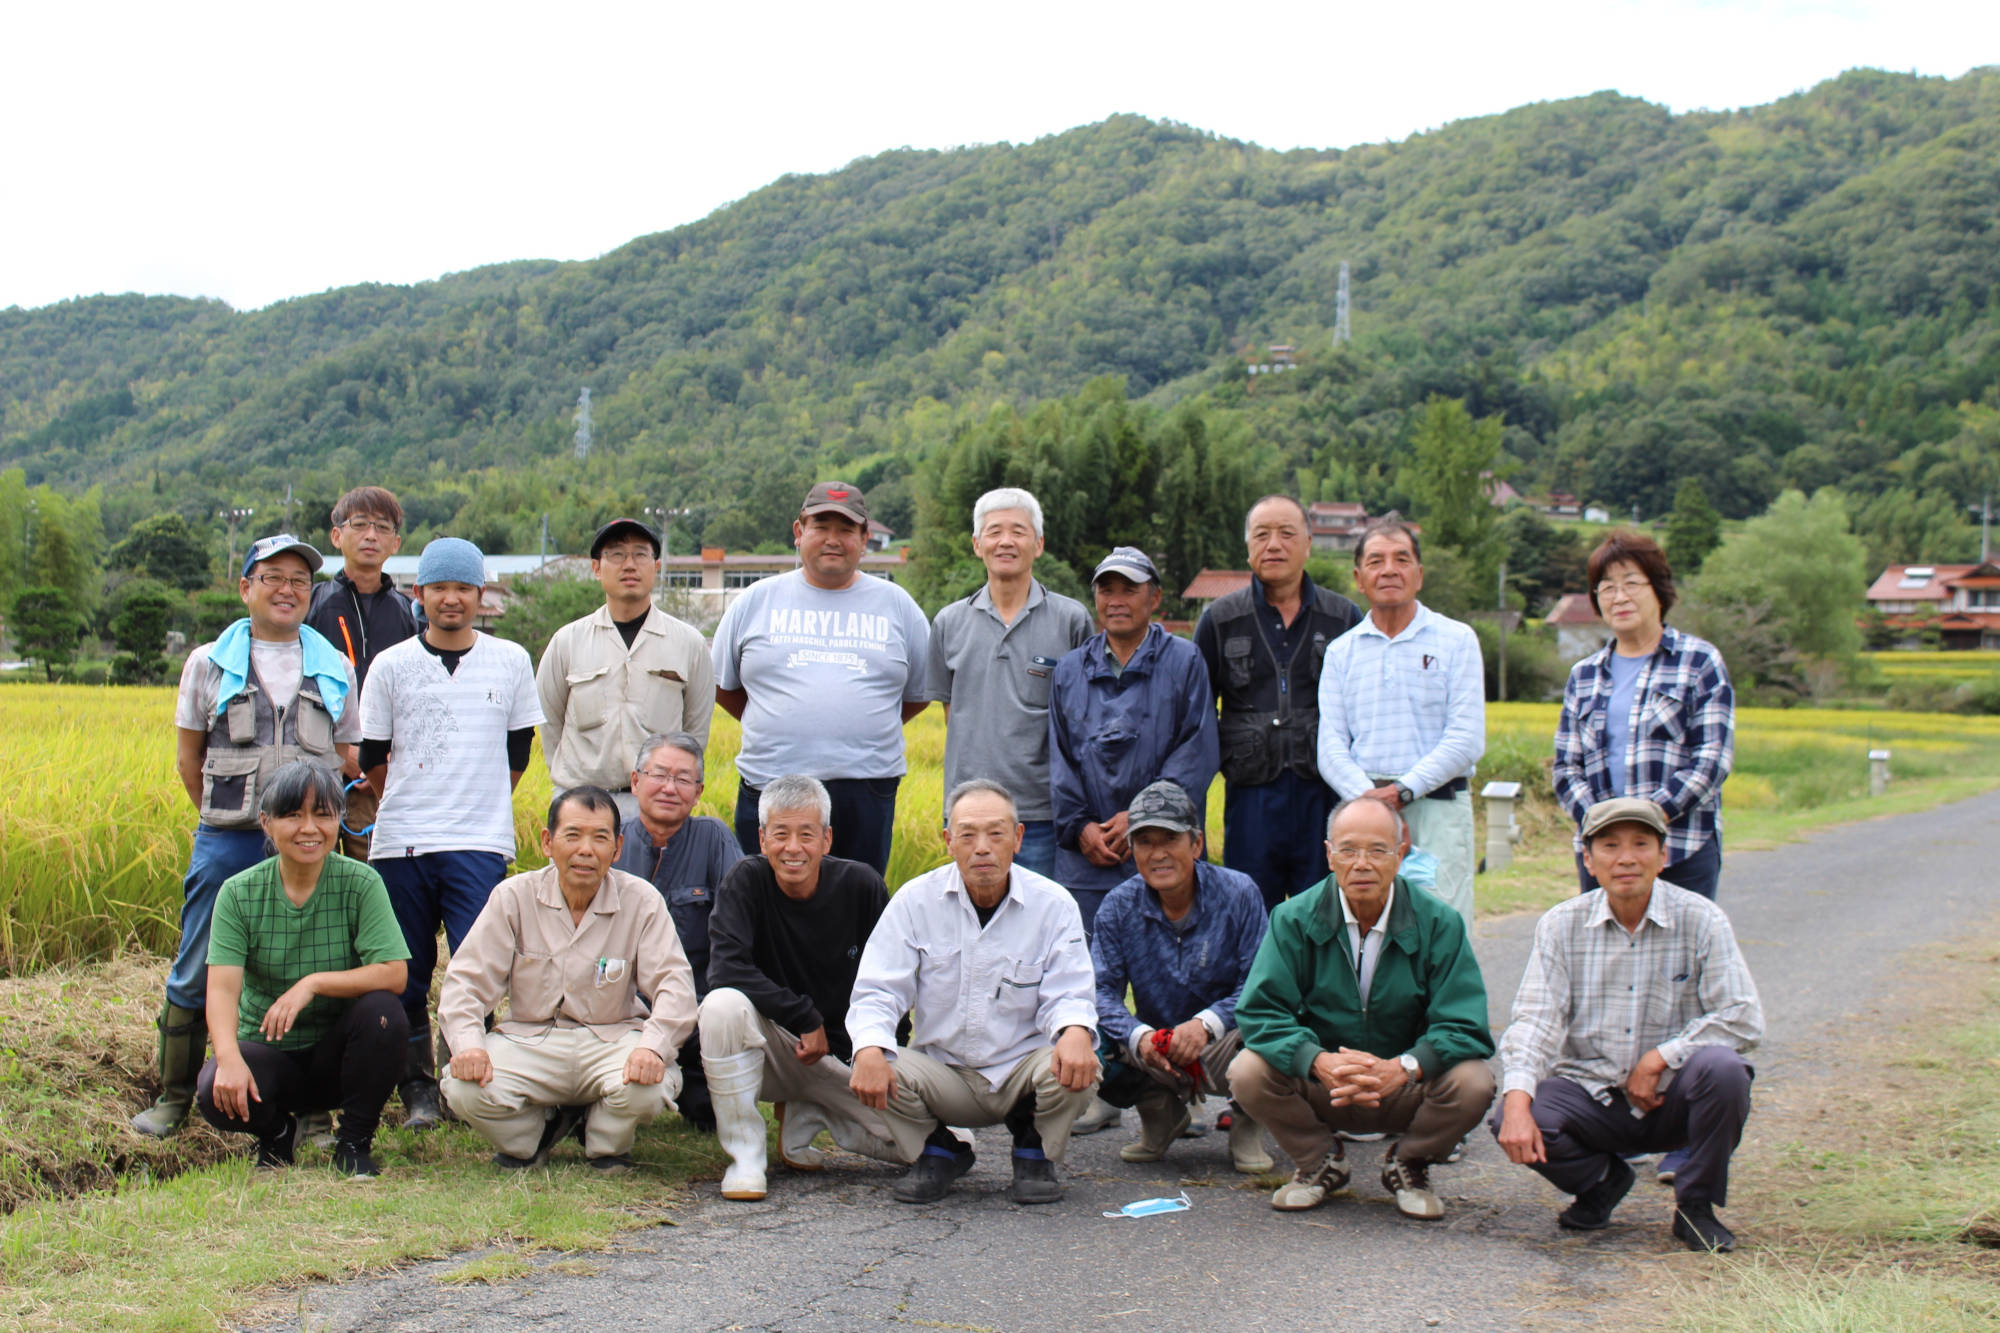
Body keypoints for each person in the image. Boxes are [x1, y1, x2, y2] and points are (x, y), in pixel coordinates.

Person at [133, 534, 361, 1138]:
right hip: (228, 837)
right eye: (273, 577)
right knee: (196, 963)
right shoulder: (208, 661)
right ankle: (175, 1096)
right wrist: (233, 818)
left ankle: (310, 1105)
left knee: (310, 961)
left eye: (299, 581)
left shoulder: (334, 665)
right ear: (246, 588)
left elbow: (346, 756)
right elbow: (190, 759)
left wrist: (302, 826)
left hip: (311, 840)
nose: (287, 590)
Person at [1492, 797, 1760, 1254]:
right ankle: (1601, 1181)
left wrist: (1660, 1058)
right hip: (1592, 1096)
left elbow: (1742, 1017)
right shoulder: (1561, 925)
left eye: (1641, 844)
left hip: (1673, 1098)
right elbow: (1536, 1020)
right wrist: (1515, 1099)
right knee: (1514, 1112)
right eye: (1610, 846)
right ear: (1589, 861)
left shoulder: (1701, 919)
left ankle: (1695, 1206)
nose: (1626, 858)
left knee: (1725, 1070)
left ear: (1663, 856)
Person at [1229, 797, 1496, 1220]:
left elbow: (1465, 1025)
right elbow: (1261, 1012)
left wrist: (1405, 1067)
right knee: (1247, 1069)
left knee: (1475, 1081)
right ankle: (1319, 1162)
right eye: (1348, 850)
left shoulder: (1440, 923)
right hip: (1325, 1083)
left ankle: (1409, 1164)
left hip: (1404, 1084)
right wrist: (1316, 1061)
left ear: (1401, 855)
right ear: (1329, 855)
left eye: (1377, 850)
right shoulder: (1292, 918)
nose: (1362, 864)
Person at [360, 536, 544, 1131]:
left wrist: (477, 797)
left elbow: (519, 750)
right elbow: (373, 756)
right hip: (402, 841)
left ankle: (465, 1078)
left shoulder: (511, 659)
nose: (452, 599)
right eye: (439, 588)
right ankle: (415, 1089)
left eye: (463, 588)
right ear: (419, 595)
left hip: (480, 841)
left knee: (478, 963)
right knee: (407, 969)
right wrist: (417, 801)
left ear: (480, 594)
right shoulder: (391, 665)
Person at [847, 780, 1100, 1205]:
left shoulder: (1054, 904)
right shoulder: (914, 902)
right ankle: (938, 1148)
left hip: (1023, 1071)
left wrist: (1075, 1030)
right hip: (943, 1072)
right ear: (948, 841)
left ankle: (1033, 1148)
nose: (982, 847)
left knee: (1080, 1056)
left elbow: (1070, 991)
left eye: (996, 833)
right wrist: (870, 1047)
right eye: (967, 834)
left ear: (1018, 838)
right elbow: (877, 990)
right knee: (868, 1059)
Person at [438, 786, 697, 1173]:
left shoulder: (641, 900)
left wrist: (653, 1048)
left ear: (618, 847)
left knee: (650, 1085)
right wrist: (469, 1046)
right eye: (572, 835)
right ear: (548, 841)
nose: (585, 850)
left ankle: (605, 1142)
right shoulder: (513, 897)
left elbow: (675, 987)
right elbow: (465, 985)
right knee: (462, 1087)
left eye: (599, 838)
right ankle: (534, 1136)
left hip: (611, 1040)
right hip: (531, 1040)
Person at [194, 762, 410, 1177]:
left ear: (339, 820)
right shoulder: (237, 894)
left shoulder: (362, 884)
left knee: (384, 1013)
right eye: (293, 815)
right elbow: (221, 991)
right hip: (270, 1052)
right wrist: (227, 1057)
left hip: (339, 1055)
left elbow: (393, 972)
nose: (309, 828)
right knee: (211, 1089)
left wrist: (312, 984)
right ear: (266, 823)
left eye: (323, 814)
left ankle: (354, 1143)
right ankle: (276, 1134)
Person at [712, 482, 931, 875]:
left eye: (846, 529)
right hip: (771, 783)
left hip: (866, 787)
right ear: (799, 532)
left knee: (856, 907)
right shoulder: (755, 601)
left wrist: (864, 726)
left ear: (865, 539)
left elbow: (919, 693)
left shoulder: (898, 606)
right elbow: (723, 686)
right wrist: (775, 722)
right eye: (821, 526)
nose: (833, 539)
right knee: (765, 906)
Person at [698, 775, 899, 1200]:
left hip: (841, 1058)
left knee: (938, 1146)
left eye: (806, 835)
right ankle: (746, 1157)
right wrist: (803, 1016)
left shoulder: (862, 886)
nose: (793, 848)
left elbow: (892, 980)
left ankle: (809, 1114)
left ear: (826, 839)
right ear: (762, 838)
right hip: (772, 1049)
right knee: (721, 1005)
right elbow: (725, 970)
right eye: (780, 834)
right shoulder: (745, 880)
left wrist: (884, 1053)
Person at [1087, 780, 1273, 1173]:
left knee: (1274, 1023)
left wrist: (1205, 1025)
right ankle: (1161, 1115)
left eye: (1170, 839)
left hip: (1225, 1039)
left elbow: (1258, 984)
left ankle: (1247, 1122)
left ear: (1196, 844)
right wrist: (1140, 1037)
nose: (1158, 854)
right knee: (1085, 1035)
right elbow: (1101, 992)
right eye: (1145, 842)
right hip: (1157, 1043)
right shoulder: (1117, 907)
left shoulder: (1240, 893)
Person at [1316, 520, 1485, 929]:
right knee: (1366, 926)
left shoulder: (1456, 639)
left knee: (1442, 927)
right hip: (1364, 814)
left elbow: (1466, 738)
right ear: (1359, 578)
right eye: (1376, 561)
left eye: (1401, 559)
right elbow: (1330, 746)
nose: (1389, 569)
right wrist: (1374, 803)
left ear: (1419, 575)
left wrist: (1403, 791)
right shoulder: (1342, 652)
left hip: (1438, 808)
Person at [1195, 495, 1360, 910]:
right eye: (1262, 534)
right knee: (1250, 913)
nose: (1274, 545)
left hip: (1324, 794)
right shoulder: (1220, 619)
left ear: (1308, 543)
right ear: (1247, 546)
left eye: (1287, 534)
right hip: (1251, 798)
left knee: (1322, 913)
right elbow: (1196, 713)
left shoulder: (1343, 618)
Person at [1553, 530, 1733, 901]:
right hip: (1602, 858)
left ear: (1658, 590)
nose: (1619, 597)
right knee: (1605, 956)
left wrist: (1649, 819)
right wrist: (1603, 826)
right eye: (1606, 588)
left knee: (1682, 957)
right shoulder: (1584, 675)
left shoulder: (1699, 661)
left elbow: (1711, 761)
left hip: (1683, 846)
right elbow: (1566, 768)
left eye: (1632, 583)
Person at [923, 488, 1092, 877]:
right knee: (971, 923)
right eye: (994, 531)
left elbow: (1083, 720)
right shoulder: (949, 623)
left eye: (1018, 531)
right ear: (977, 544)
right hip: (968, 813)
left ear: (1039, 544)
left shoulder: (1071, 620)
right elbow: (954, 714)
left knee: (1038, 924)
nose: (1005, 541)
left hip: (1041, 813)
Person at [1048, 546, 1219, 931]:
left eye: (1130, 589)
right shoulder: (1070, 670)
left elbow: (1197, 750)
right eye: (1107, 590)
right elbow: (1060, 759)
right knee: (1086, 973)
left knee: (1171, 974)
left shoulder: (1185, 662)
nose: (1117, 601)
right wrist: (1080, 827)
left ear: (1155, 597)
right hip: (1089, 855)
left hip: (1165, 847)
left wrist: (1144, 817)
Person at [537, 518, 715, 820]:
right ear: (596, 568)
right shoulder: (567, 642)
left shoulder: (689, 644)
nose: (629, 565)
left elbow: (695, 732)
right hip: (581, 804)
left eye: (640, 554)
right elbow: (549, 722)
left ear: (656, 566)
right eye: (616, 554)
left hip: (657, 807)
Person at [612, 731, 743, 1131]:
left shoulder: (714, 838)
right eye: (659, 775)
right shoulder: (610, 843)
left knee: (705, 1111)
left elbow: (737, 931)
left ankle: (693, 1083)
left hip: (696, 1012)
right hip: (621, 1015)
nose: (670, 788)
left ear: (698, 790)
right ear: (636, 782)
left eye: (683, 779)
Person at [306, 485, 419, 860]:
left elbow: (415, 696)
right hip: (317, 768)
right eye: (360, 524)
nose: (371, 535)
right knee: (311, 872)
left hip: (381, 776)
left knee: (369, 876)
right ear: (337, 535)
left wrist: (378, 763)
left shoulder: (408, 613)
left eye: (383, 527)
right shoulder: (313, 604)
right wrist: (345, 753)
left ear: (396, 543)